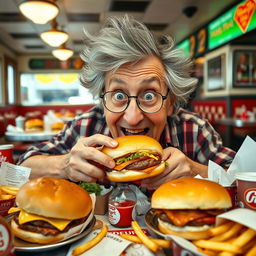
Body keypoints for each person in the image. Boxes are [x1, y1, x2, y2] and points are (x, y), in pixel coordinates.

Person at [18, 15, 236, 189]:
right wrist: (63, 165)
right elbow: (22, 166)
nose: (133, 118)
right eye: (119, 96)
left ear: (170, 102)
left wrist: (195, 169)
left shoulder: (193, 129)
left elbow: (242, 176)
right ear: (103, 101)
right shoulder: (85, 126)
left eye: (149, 96)